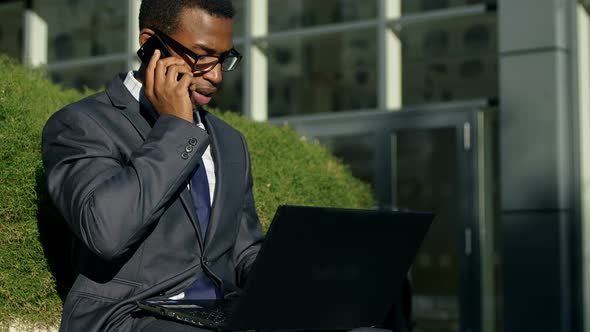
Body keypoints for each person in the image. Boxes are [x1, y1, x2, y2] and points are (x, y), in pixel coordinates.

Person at [41, 0, 264, 330]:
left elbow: (244, 251)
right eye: (202, 57)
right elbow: (105, 232)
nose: (216, 75)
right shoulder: (82, 125)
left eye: (223, 58)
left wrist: (298, 277)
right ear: (150, 44)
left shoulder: (229, 141)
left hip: (219, 314)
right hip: (130, 316)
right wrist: (175, 130)